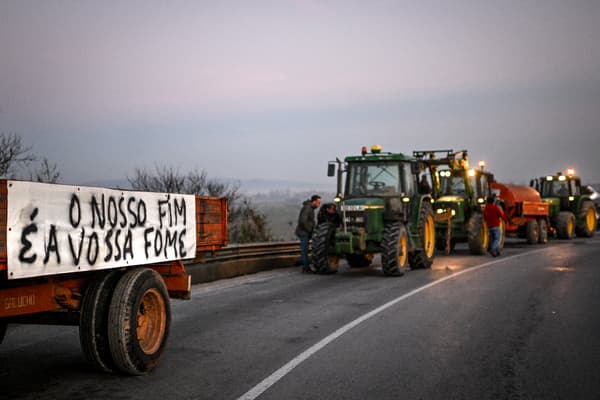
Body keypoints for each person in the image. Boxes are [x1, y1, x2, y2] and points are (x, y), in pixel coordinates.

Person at [295, 194, 321, 272]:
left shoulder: (310, 208)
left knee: (305, 250)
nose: (319, 204)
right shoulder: (307, 208)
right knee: (304, 250)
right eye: (318, 202)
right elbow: (302, 221)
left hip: (305, 232)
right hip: (304, 232)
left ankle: (306, 266)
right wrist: (309, 230)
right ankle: (305, 268)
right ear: (314, 201)